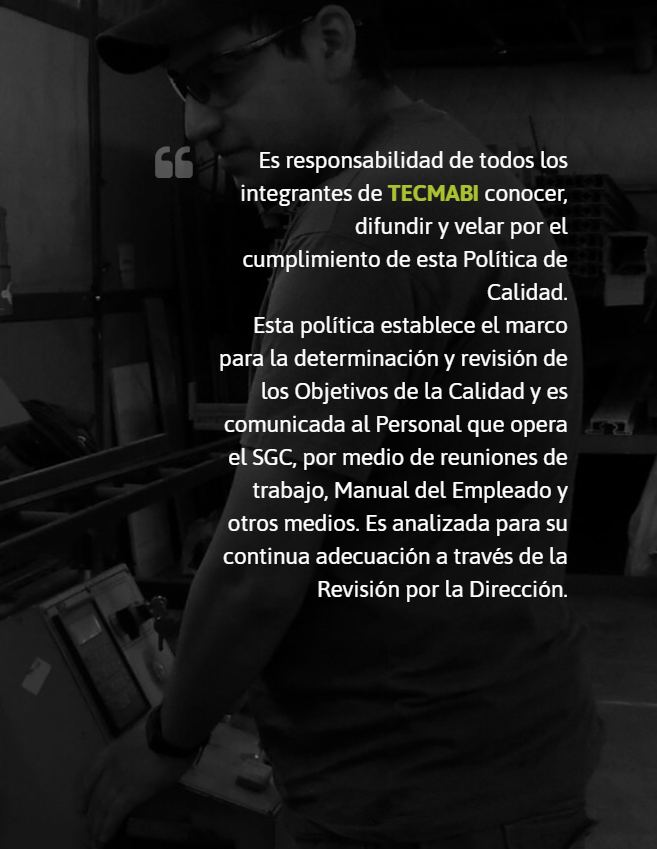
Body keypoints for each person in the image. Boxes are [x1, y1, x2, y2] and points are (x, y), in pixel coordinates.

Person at [81, 2, 603, 846]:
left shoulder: (362, 217)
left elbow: (259, 563)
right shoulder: (452, 163)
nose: (195, 125)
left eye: (218, 77)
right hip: (496, 736)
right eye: (182, 90)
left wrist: (168, 736)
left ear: (329, 41)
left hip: (405, 780)